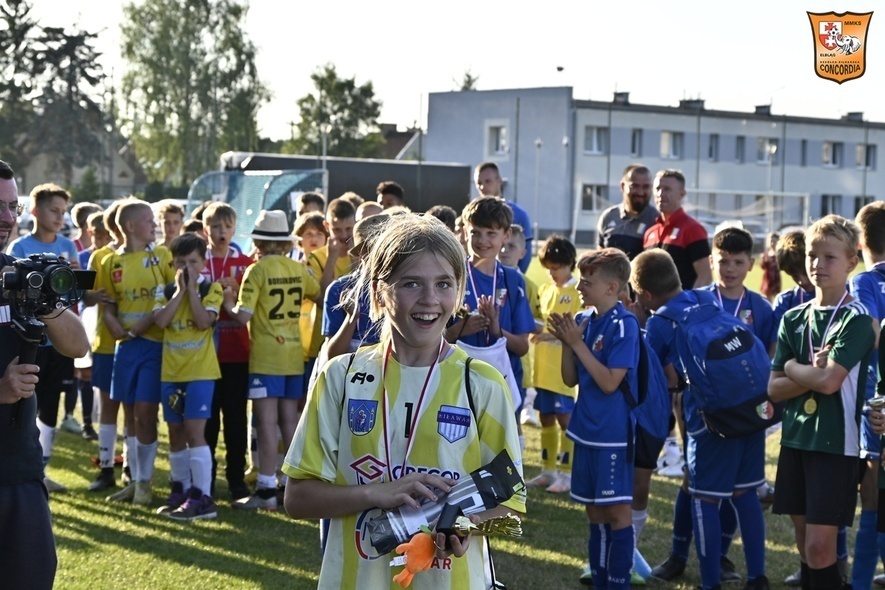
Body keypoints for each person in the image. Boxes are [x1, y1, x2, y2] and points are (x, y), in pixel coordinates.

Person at [282, 213, 525, 588]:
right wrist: (374, 493)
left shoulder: (482, 382)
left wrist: (464, 527)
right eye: (411, 283)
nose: (430, 300)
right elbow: (297, 498)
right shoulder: (341, 376)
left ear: (458, 292)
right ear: (380, 292)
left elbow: (510, 497)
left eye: (444, 284)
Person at [632, 249, 769, 590]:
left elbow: (656, 378)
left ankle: (710, 583)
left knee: (704, 498)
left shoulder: (662, 321)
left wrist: (639, 321)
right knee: (746, 494)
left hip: (710, 417)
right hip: (751, 406)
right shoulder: (704, 299)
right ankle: (758, 578)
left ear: (646, 294)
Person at [768, 215, 877, 590]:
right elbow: (773, 389)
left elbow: (830, 382)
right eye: (813, 256)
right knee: (804, 546)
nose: (818, 264)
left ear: (851, 262)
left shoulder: (857, 318)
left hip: (837, 444)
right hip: (796, 439)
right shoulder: (793, 318)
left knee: (819, 547)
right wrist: (806, 372)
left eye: (830, 257)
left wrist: (793, 367)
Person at [0, 158, 89, 589]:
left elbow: (77, 345)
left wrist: (48, 299)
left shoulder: (18, 277)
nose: (5, 218)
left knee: (31, 578)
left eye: (12, 207)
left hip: (19, 469)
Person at [547, 248, 638, 589]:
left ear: (613, 288)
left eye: (588, 281)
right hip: (585, 430)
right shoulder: (588, 320)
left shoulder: (624, 323)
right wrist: (568, 344)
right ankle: (601, 579)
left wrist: (578, 345)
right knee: (594, 511)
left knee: (616, 512)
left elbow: (611, 382)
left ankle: (618, 582)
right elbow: (570, 379)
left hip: (612, 434)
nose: (581, 287)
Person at [223, 210, 320, 510]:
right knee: (290, 421)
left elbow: (242, 316)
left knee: (266, 423)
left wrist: (227, 299)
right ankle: (292, 485)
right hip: (293, 353)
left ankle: (266, 488)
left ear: (259, 242)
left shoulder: (257, 270)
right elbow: (317, 293)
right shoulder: (298, 268)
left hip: (266, 356)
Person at [7, 183, 81, 493]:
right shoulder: (17, 251)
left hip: (54, 341)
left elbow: (77, 299)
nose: (60, 217)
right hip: (24, 343)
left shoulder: (68, 246)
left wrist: (68, 281)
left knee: (48, 402)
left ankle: (43, 466)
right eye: (54, 210)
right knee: (25, 405)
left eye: (63, 212)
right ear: (35, 211)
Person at [101, 198, 175, 505]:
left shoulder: (162, 256)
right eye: (149, 220)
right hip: (126, 347)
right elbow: (108, 303)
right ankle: (132, 479)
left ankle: (145, 482)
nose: (154, 225)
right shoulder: (110, 262)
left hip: (154, 345)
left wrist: (151, 319)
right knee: (129, 413)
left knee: (146, 412)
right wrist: (110, 319)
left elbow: (175, 293)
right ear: (131, 226)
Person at [446, 197, 535, 432]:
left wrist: (497, 329)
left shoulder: (513, 281)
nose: (482, 241)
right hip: (457, 381)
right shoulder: (451, 276)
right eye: (475, 232)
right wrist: (461, 329)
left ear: (506, 235)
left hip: (502, 381)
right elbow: (434, 339)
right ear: (465, 232)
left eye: (491, 233)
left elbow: (523, 346)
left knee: (498, 454)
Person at [153, 233, 222, 519]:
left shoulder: (212, 289)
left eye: (193, 262)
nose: (186, 269)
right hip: (172, 372)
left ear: (203, 262)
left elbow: (204, 321)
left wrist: (192, 290)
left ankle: (202, 496)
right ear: (172, 264)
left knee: (195, 433)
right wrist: (180, 291)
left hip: (200, 373)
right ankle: (179, 487)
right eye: (181, 263)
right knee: (175, 434)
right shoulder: (165, 289)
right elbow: (160, 321)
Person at [200, 202, 255, 501]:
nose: (222, 233)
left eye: (227, 227)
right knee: (207, 421)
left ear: (235, 229)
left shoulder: (245, 263)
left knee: (235, 419)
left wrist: (235, 290)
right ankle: (205, 480)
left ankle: (236, 480)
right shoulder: (199, 261)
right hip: (204, 354)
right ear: (205, 229)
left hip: (238, 352)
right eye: (216, 227)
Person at [846, 202, 885, 590]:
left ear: (860, 242)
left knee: (872, 499)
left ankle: (858, 582)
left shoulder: (864, 282)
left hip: (878, 403)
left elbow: (873, 334)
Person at [527, 235, 581, 494]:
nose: (552, 272)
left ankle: (568, 474)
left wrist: (550, 333)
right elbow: (539, 320)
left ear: (570, 263)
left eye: (556, 267)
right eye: (548, 267)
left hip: (563, 372)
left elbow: (578, 329)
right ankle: (548, 470)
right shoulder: (545, 289)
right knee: (545, 417)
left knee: (565, 420)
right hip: (542, 369)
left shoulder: (577, 292)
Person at [86, 201, 128, 492]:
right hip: (105, 344)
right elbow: (86, 298)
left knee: (137, 410)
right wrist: (95, 296)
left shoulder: (150, 256)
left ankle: (132, 470)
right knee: (109, 409)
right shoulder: (100, 256)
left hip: (138, 342)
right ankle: (105, 468)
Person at [642, 169, 712, 290]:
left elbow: (705, 276)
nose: (661, 194)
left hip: (680, 306)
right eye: (658, 189)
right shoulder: (650, 232)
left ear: (682, 194)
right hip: (652, 308)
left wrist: (688, 304)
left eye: (667, 189)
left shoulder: (693, 229)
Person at [474, 161, 534, 273]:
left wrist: (513, 279)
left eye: (487, 181)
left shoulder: (519, 214)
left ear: (499, 181)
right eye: (478, 183)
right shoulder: (472, 214)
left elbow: (525, 254)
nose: (482, 187)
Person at [597, 164, 658, 260]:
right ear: (622, 186)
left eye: (645, 187)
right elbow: (599, 254)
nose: (640, 192)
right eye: (634, 186)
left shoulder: (656, 220)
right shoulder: (608, 216)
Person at [760, 231, 781, 302]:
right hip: (768, 279)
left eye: (774, 241)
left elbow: (780, 267)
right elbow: (763, 267)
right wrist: (764, 260)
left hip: (775, 278)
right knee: (767, 299)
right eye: (771, 241)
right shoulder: (767, 254)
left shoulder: (779, 254)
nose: (772, 243)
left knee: (776, 298)